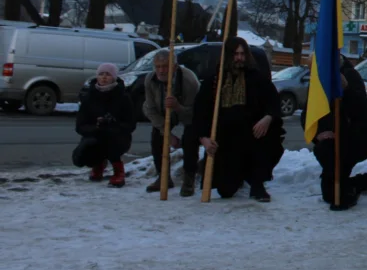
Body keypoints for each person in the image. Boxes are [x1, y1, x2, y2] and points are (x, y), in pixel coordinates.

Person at [193, 37, 285, 202]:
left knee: (271, 135)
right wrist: (204, 138)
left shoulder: (256, 77)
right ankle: (239, 175)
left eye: (242, 54)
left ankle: (257, 182)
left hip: (252, 135)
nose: (239, 58)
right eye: (235, 54)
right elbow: (200, 112)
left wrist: (268, 117)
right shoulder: (215, 80)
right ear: (228, 55)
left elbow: (273, 101)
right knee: (225, 191)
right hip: (226, 140)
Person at [306, 56, 367, 209]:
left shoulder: (350, 76)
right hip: (330, 143)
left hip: (355, 140)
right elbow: (309, 113)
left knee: (334, 193)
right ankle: (355, 180)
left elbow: (362, 111)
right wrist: (317, 133)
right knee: (330, 192)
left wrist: (347, 90)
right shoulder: (317, 82)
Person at [142, 49, 201, 196]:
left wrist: (177, 107)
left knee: (189, 139)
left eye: (165, 66)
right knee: (157, 138)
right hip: (163, 113)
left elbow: (195, 114)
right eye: (158, 66)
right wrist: (168, 134)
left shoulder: (189, 81)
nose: (161, 71)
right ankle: (163, 177)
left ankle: (189, 179)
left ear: (174, 67)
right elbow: (150, 110)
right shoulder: (150, 80)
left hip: (187, 112)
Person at [73, 63, 136, 187]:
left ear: (114, 77)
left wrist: (113, 125)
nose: (104, 77)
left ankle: (118, 171)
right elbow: (80, 125)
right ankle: (98, 165)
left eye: (108, 74)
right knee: (86, 150)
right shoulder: (89, 96)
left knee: (111, 142)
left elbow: (131, 123)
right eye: (101, 74)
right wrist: (95, 126)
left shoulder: (123, 97)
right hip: (94, 134)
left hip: (117, 135)